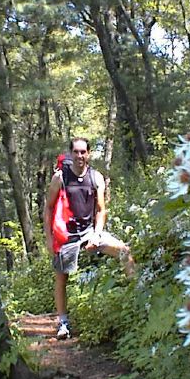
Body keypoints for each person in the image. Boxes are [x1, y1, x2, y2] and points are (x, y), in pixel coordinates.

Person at [43, 137, 134, 340]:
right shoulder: (60, 178)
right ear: (70, 153)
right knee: (61, 276)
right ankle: (63, 322)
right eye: (76, 152)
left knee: (125, 253)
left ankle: (137, 304)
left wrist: (97, 234)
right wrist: (49, 239)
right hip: (66, 234)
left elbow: (101, 210)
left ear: (89, 154)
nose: (79, 156)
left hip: (90, 231)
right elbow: (48, 208)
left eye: (83, 152)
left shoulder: (96, 177)